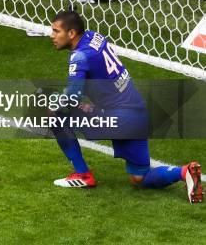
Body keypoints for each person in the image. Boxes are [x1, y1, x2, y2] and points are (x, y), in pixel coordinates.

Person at [49, 10, 202, 203]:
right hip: (137, 114)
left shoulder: (79, 57)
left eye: (56, 31)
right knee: (140, 178)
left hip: (116, 118)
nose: (51, 35)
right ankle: (184, 172)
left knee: (51, 110)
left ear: (71, 33)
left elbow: (72, 95)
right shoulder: (95, 36)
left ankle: (83, 175)